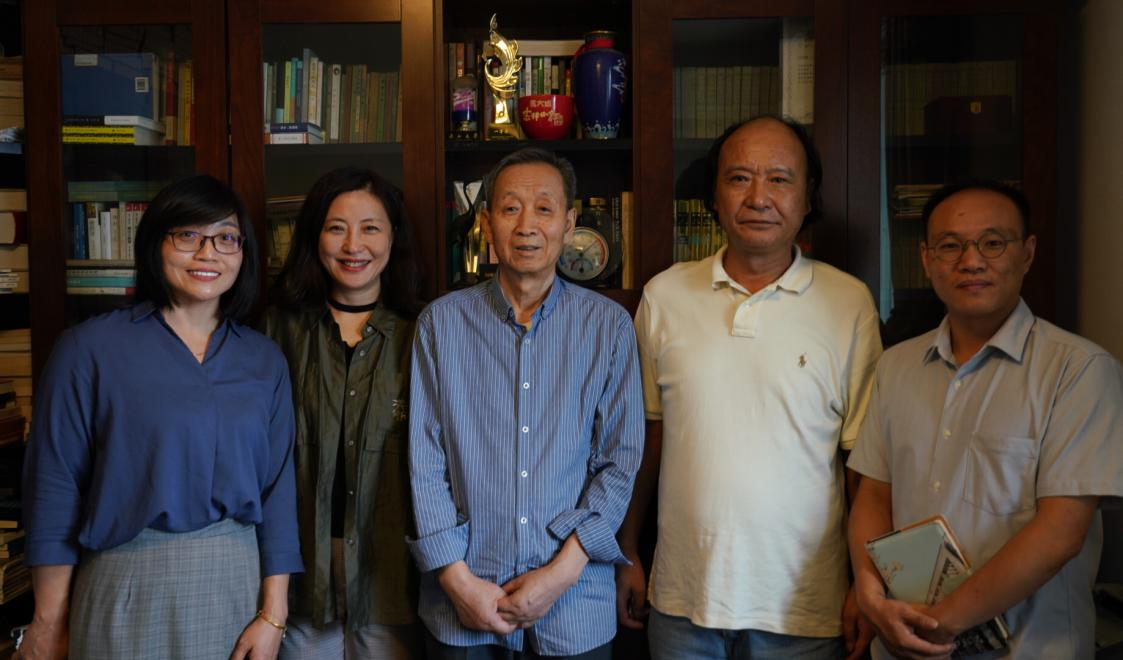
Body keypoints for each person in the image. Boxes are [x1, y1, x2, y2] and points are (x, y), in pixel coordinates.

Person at [617, 116, 882, 659]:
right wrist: (627, 551)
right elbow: (645, 440)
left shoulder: (849, 302)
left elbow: (864, 466)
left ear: (807, 197)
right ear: (714, 197)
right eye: (739, 178)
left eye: (779, 180)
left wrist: (867, 581)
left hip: (804, 609)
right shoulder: (665, 296)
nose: (759, 197)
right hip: (682, 602)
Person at [20, 175, 301, 659]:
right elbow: (54, 485)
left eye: (226, 238)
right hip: (123, 581)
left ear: (244, 252)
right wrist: (48, 621)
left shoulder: (264, 359)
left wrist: (274, 614)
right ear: (155, 243)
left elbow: (278, 493)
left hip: (235, 585)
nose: (208, 253)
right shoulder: (89, 349)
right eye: (188, 235)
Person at [847, 181, 1123, 659]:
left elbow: (1061, 532)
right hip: (901, 642)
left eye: (993, 243)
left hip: (1029, 648)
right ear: (926, 258)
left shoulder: (1079, 370)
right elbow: (874, 494)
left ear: (1027, 253)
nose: (971, 261)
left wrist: (936, 625)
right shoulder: (895, 366)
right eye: (950, 246)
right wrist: (872, 599)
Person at [408, 147, 644, 659]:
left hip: (574, 602)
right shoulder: (440, 325)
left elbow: (619, 461)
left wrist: (561, 574)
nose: (527, 226)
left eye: (544, 208)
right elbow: (425, 462)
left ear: (569, 223)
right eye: (510, 208)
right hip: (463, 601)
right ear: (487, 223)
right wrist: (456, 581)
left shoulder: (608, 327)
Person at [262, 166, 425, 658]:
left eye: (370, 228)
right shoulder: (275, 331)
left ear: (393, 238)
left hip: (392, 577)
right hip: (298, 576)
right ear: (315, 237)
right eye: (337, 228)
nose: (354, 245)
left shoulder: (425, 332)